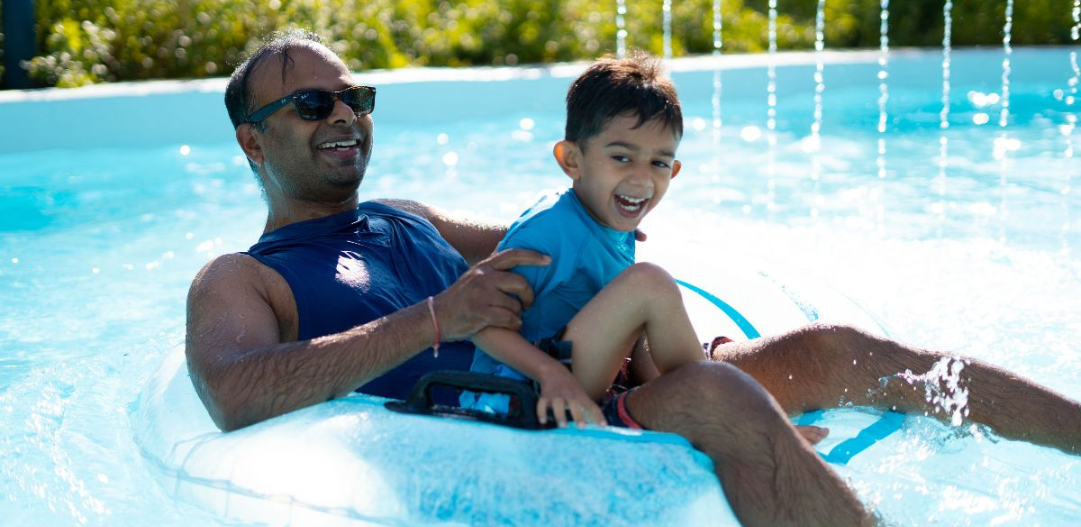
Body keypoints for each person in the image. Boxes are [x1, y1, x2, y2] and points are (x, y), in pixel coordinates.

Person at [186, 29, 1081, 527]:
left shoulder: (404, 218)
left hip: (605, 368)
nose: (344, 115)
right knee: (720, 400)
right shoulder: (242, 279)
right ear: (253, 140)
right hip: (515, 421)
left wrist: (622, 180)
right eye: (313, 104)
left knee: (836, 351)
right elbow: (233, 393)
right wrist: (433, 317)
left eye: (356, 99)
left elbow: (550, 239)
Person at [462, 51, 708, 430]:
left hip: (563, 378)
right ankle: (720, 406)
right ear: (572, 160)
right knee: (650, 284)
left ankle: (695, 405)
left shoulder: (609, 220)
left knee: (645, 301)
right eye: (622, 157)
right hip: (516, 400)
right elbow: (478, 322)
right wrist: (550, 374)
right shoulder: (547, 234)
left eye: (659, 163)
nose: (642, 180)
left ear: (674, 170)